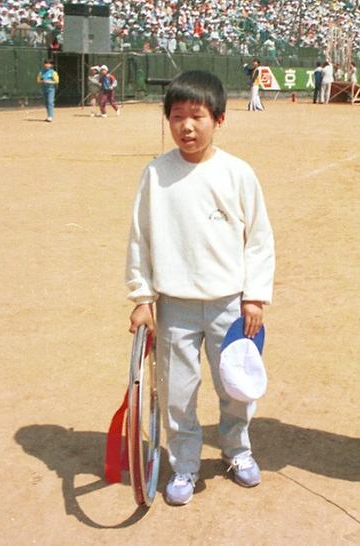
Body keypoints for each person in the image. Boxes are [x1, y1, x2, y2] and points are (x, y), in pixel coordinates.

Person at [126, 70, 275, 506]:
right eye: (176, 117)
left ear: (219, 120)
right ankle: (185, 465)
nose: (186, 127)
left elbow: (259, 239)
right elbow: (140, 237)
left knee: (235, 387)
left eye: (196, 116)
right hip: (175, 307)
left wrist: (254, 296)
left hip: (230, 304)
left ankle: (237, 450)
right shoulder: (156, 175)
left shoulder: (238, 174)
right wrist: (142, 298)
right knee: (178, 392)